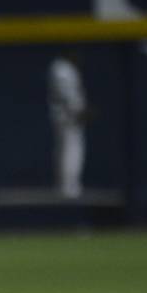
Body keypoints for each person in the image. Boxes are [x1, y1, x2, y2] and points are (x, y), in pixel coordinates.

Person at [48, 51, 88, 200]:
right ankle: (68, 188)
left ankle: (68, 187)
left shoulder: (65, 67)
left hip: (67, 114)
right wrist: (77, 110)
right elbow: (67, 94)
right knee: (70, 152)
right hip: (68, 115)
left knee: (67, 151)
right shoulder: (61, 68)